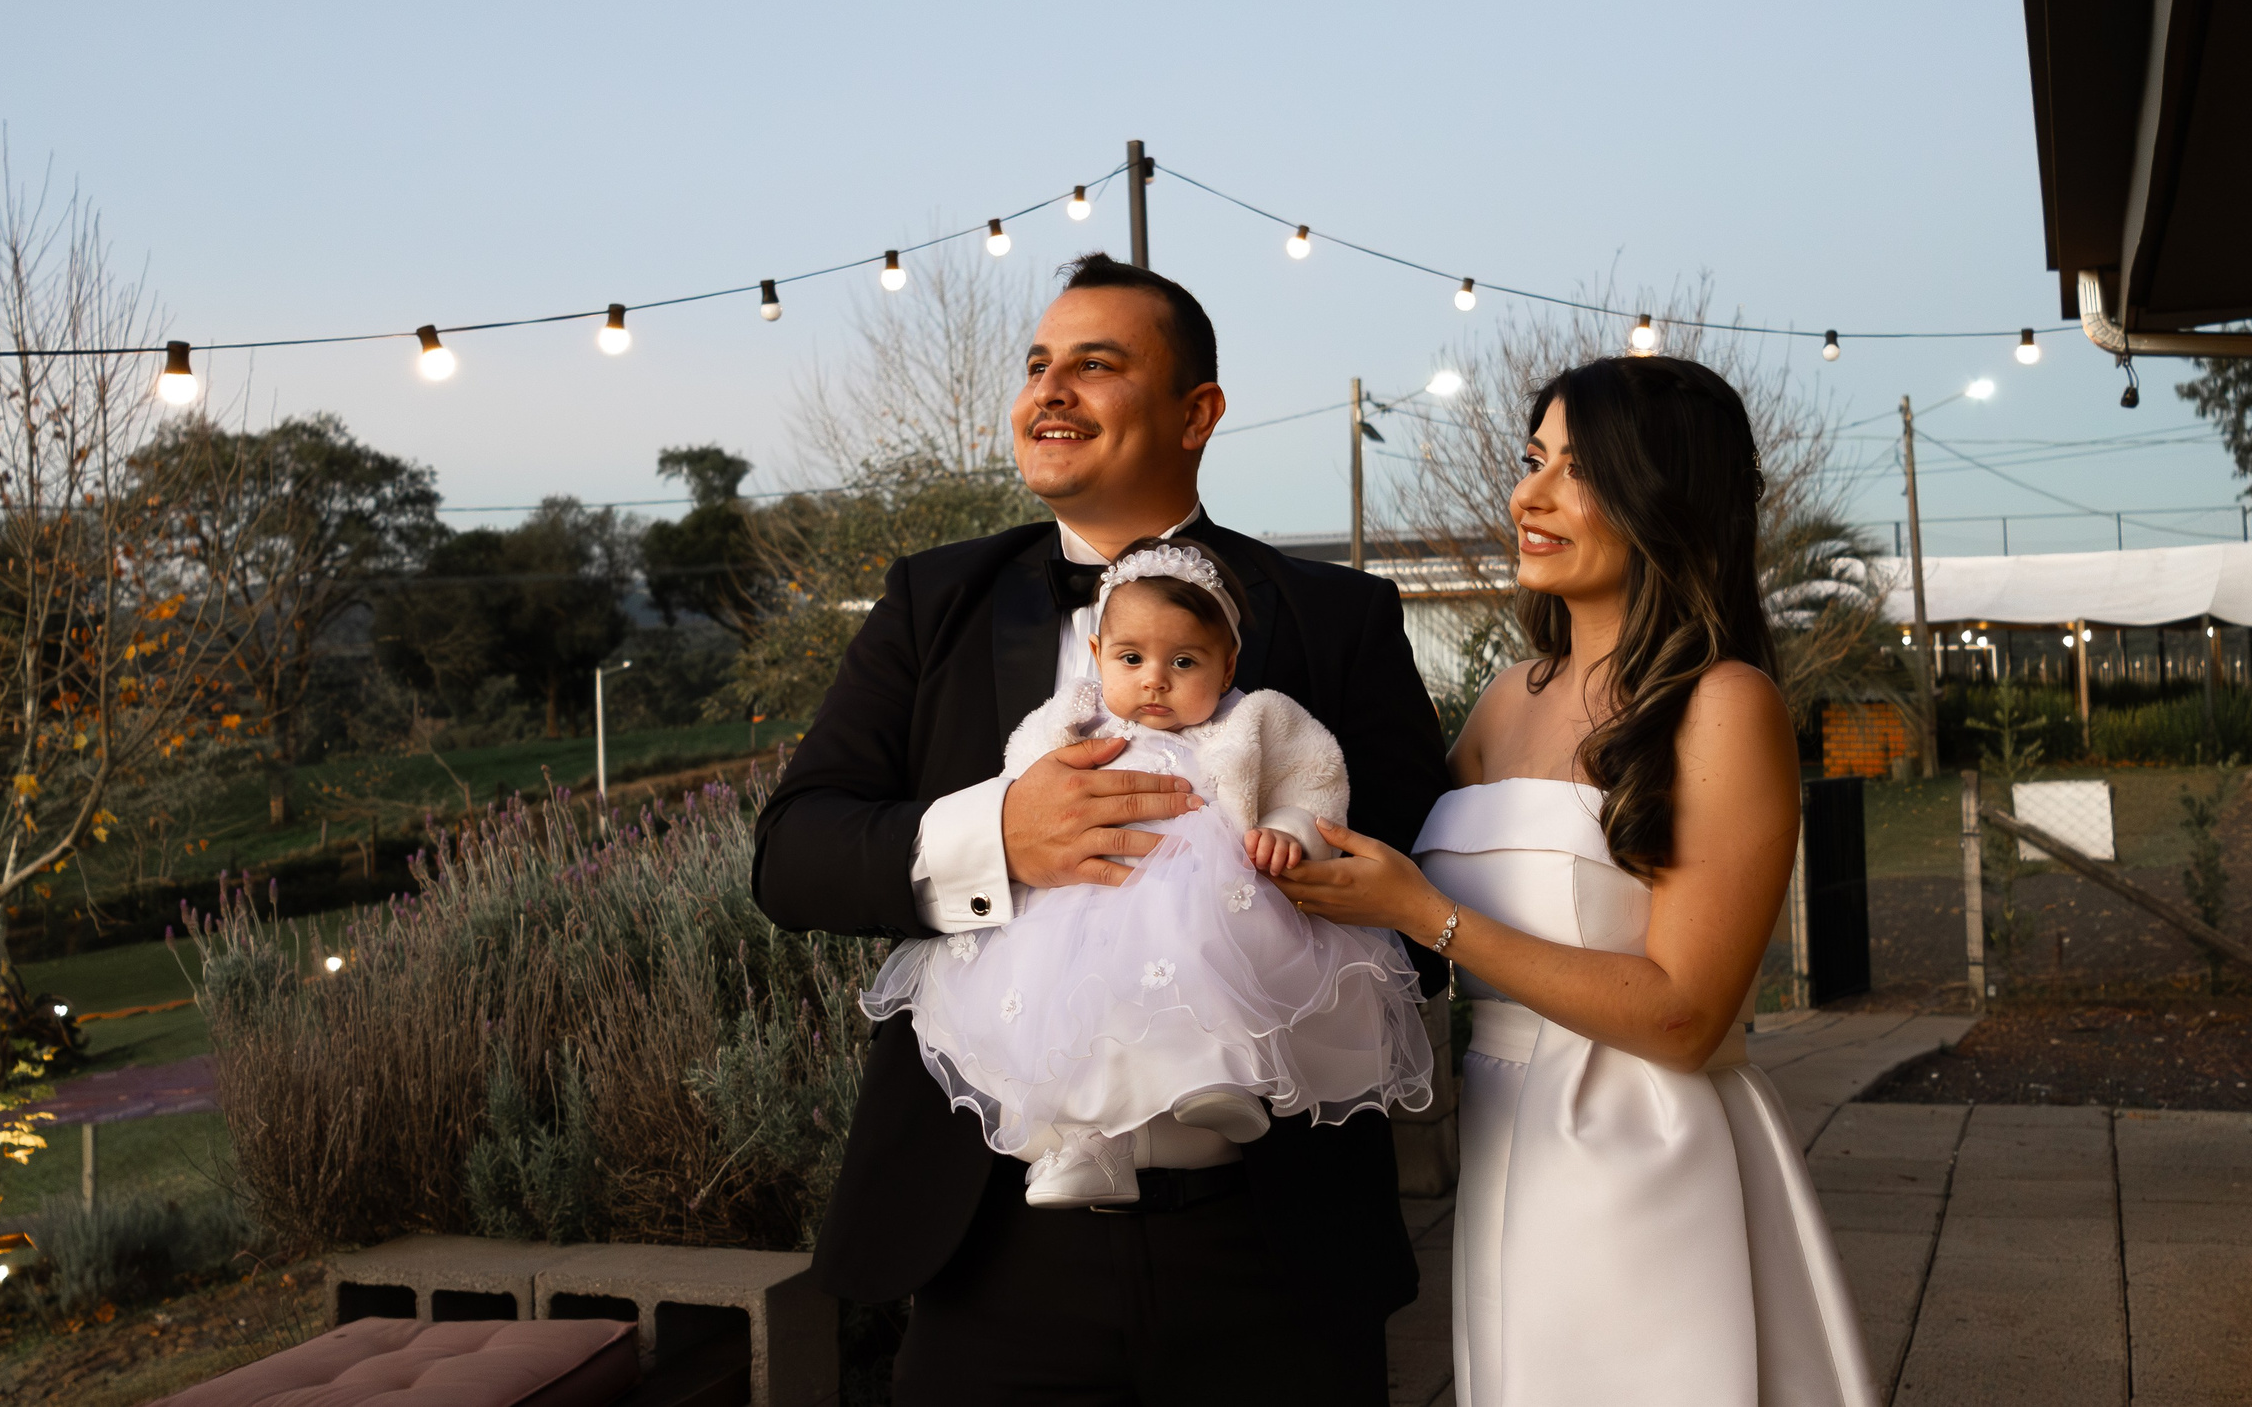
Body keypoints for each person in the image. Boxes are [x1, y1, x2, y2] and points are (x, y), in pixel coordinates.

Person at [752, 253, 1453, 1405]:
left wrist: (1279, 867)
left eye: (1095, 363)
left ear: (1198, 412)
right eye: (1037, 365)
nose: (1049, 390)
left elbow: (1418, 915)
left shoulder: (1339, 617)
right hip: (990, 1240)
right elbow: (794, 853)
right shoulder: (933, 601)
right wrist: (1000, 836)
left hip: (1272, 1239)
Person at [1280, 355, 1876, 1406]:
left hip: (1641, 1140)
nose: (1528, 495)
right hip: (1508, 1135)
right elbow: (1369, 860)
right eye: (1531, 459)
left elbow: (1687, 1014)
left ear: (1665, 497)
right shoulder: (1512, 695)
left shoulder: (1720, 704)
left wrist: (1431, 916)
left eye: (1577, 470)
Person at [860, 535, 1434, 1210]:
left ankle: (1219, 1078)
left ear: (1227, 668)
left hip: (1212, 893)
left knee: (1201, 962)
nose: (1155, 678)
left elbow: (1314, 776)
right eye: (1132, 658)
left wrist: (1291, 832)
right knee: (1068, 1016)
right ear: (1098, 655)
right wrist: (1016, 817)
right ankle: (1088, 1149)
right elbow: (1022, 777)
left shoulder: (1254, 717)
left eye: (1184, 660)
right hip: (1083, 897)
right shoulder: (1071, 719)